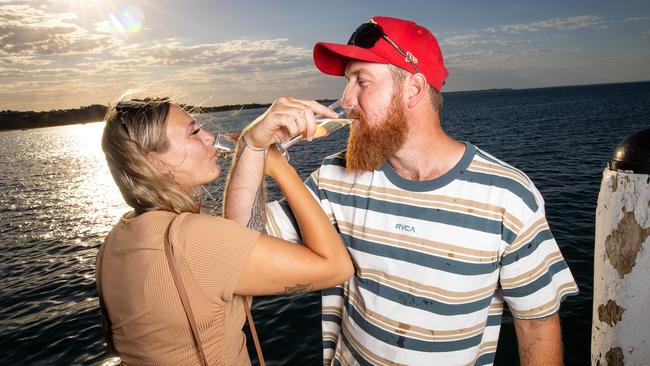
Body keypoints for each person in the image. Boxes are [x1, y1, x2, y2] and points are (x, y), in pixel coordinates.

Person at [224, 16, 579, 366]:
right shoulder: (334, 177)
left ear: (413, 89)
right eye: (348, 83)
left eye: (361, 81)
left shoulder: (508, 196)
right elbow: (240, 246)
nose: (345, 100)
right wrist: (253, 148)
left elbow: (536, 326)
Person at [96, 96, 353, 365]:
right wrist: (279, 167)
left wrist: (252, 146)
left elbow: (235, 240)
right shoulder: (193, 239)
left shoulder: (115, 241)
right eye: (194, 132)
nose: (209, 137)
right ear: (156, 163)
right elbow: (336, 267)